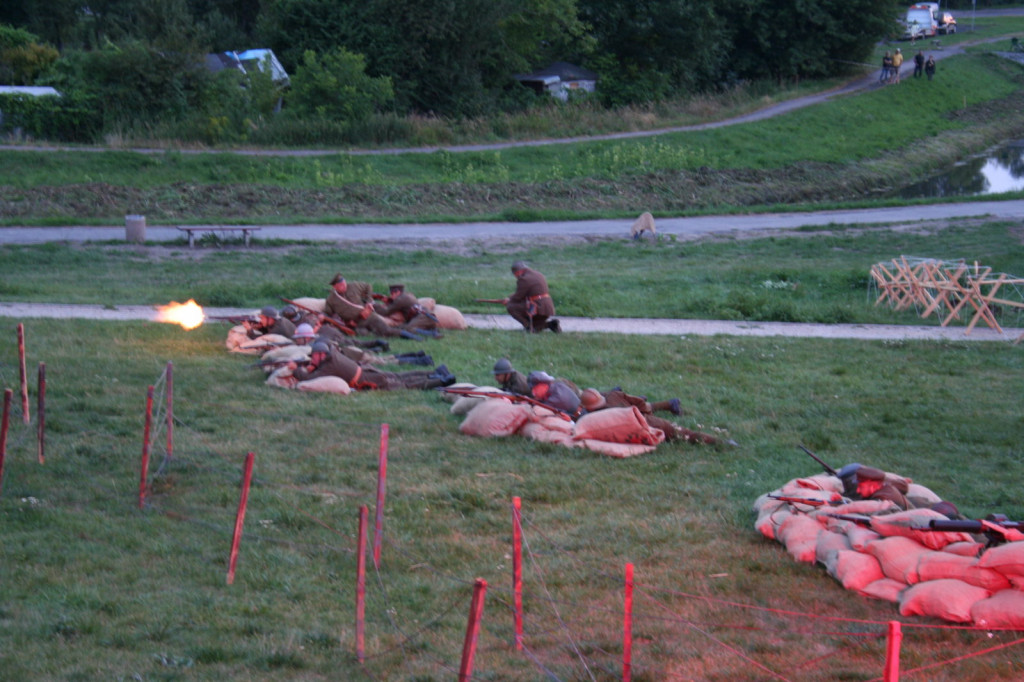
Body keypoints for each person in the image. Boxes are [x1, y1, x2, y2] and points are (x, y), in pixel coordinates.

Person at [579, 389, 725, 444]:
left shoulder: (597, 418)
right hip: (646, 421)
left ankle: (719, 442)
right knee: (683, 433)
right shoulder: (613, 395)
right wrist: (644, 412)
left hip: (640, 427)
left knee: (681, 434)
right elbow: (639, 402)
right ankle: (721, 442)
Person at [289, 341, 455, 390]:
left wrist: (294, 369)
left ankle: (441, 381)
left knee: (405, 385)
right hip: (367, 370)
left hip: (366, 379)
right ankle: (435, 372)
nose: (312, 359)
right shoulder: (333, 356)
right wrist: (312, 365)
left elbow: (307, 378)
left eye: (314, 356)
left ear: (321, 355)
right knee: (399, 376)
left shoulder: (328, 366)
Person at [323, 274, 404, 338]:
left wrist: (369, 301)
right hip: (355, 324)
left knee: (386, 331)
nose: (344, 286)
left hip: (368, 316)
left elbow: (368, 286)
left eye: (344, 284)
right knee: (364, 334)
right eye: (341, 285)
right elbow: (328, 313)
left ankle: (411, 335)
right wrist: (341, 322)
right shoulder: (331, 299)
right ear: (334, 287)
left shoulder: (353, 286)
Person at [505, 261, 560, 333]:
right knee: (535, 326)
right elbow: (529, 293)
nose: (516, 277)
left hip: (538, 308)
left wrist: (509, 300)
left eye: (515, 275)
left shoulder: (524, 279)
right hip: (547, 308)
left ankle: (528, 328)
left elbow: (518, 297)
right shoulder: (538, 274)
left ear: (518, 272)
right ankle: (551, 325)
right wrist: (510, 297)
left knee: (511, 307)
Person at [374, 284, 442, 339]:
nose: (391, 296)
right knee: (402, 326)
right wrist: (389, 301)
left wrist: (375, 305)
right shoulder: (408, 295)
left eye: (392, 293)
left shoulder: (400, 299)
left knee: (408, 329)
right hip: (428, 316)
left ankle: (432, 334)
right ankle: (432, 330)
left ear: (397, 292)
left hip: (423, 317)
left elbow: (386, 312)